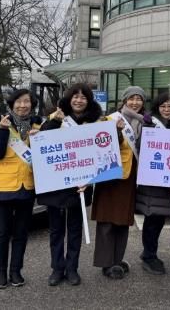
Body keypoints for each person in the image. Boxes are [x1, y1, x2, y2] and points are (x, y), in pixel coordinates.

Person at [37, 83, 100, 287]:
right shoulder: (56, 118)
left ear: (88, 101)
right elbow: (43, 144)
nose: (79, 100)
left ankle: (72, 268)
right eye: (75, 96)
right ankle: (57, 268)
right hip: (56, 183)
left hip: (80, 185)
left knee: (74, 230)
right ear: (68, 98)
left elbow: (100, 155)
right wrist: (55, 121)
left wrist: (90, 180)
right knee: (56, 230)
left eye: (83, 97)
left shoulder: (95, 123)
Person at [0, 89, 42, 289]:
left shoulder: (38, 126)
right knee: (2, 233)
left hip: (27, 186)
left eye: (26, 101)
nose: (22, 105)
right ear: (11, 105)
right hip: (3, 186)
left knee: (21, 233)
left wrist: (39, 139)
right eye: (18, 101)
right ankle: (0, 272)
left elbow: (45, 156)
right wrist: (3, 130)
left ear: (32, 104)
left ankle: (16, 271)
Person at [91, 86, 145, 279]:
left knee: (123, 220)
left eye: (139, 99)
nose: (135, 103)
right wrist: (117, 131)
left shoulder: (142, 122)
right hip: (110, 177)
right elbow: (101, 146)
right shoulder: (109, 119)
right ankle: (106, 263)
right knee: (107, 220)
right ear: (124, 100)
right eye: (131, 98)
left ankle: (117, 259)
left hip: (129, 179)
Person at [136, 92, 170, 275]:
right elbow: (141, 148)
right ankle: (149, 256)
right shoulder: (150, 124)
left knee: (159, 218)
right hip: (153, 180)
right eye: (163, 106)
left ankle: (149, 253)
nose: (167, 110)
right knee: (152, 218)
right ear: (157, 108)